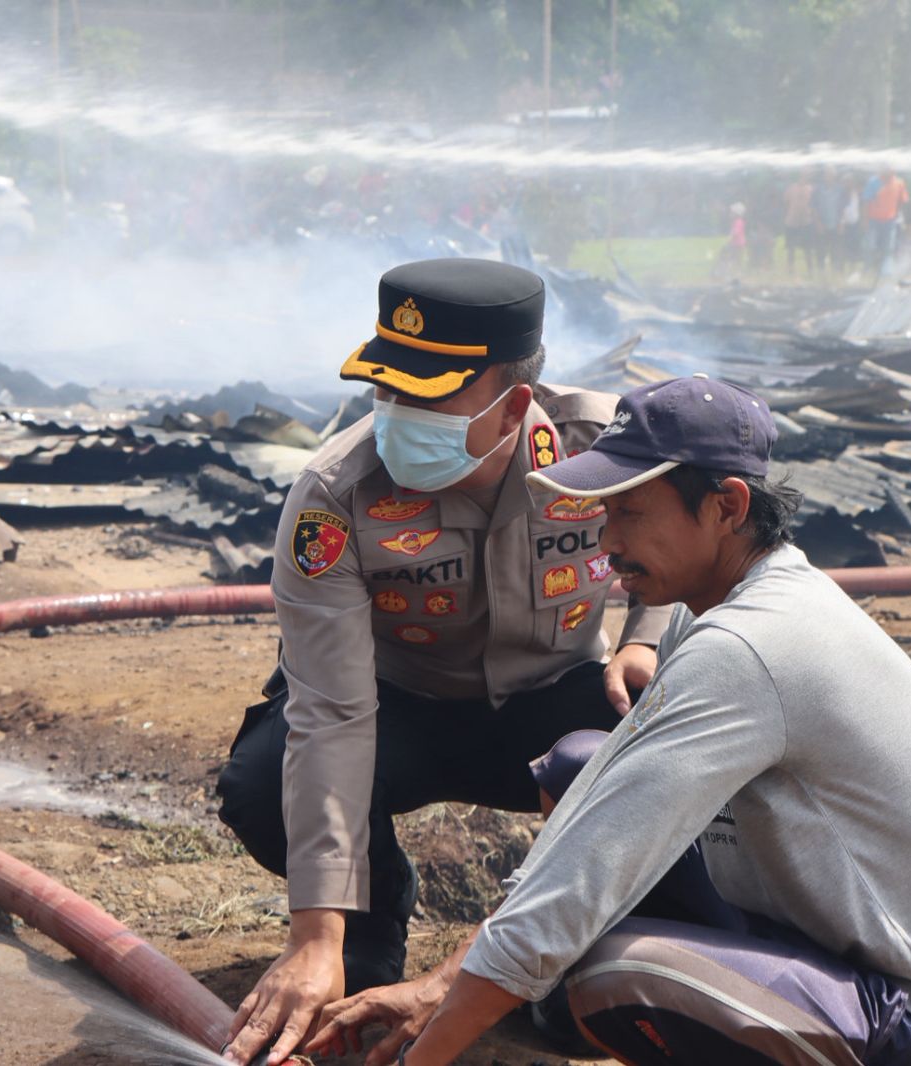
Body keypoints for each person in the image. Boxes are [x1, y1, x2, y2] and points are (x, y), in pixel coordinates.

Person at [308, 375, 911, 1066]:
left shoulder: (750, 647)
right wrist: (441, 984)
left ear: (728, 506)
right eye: (603, 512)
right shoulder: (715, 610)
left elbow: (585, 871)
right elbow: (594, 825)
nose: (605, 539)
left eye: (631, 513)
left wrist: (423, 1056)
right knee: (582, 764)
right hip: (813, 937)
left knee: (611, 977)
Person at [217, 258, 672, 1066]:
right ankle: (374, 909)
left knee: (658, 785)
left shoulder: (604, 448)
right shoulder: (334, 495)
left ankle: (573, 954)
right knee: (262, 788)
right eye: (386, 390)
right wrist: (315, 933)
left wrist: (644, 636)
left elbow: (691, 553)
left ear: (514, 407)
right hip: (398, 707)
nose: (397, 416)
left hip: (555, 695)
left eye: (429, 397)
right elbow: (331, 712)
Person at [862, 165, 910, 280]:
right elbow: (865, 202)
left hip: (890, 221)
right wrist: (865, 220)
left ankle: (886, 271)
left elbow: (902, 200)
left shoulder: (899, 182)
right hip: (874, 220)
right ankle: (868, 267)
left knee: (888, 247)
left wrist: (899, 216)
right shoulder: (873, 182)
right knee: (870, 246)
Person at [782, 171, 815, 275]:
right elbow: (786, 202)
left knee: (807, 249)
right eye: (802, 176)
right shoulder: (791, 188)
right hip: (792, 222)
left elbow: (814, 204)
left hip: (806, 222)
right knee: (791, 248)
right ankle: (790, 270)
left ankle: (810, 271)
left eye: (806, 176)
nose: (804, 178)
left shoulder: (811, 189)